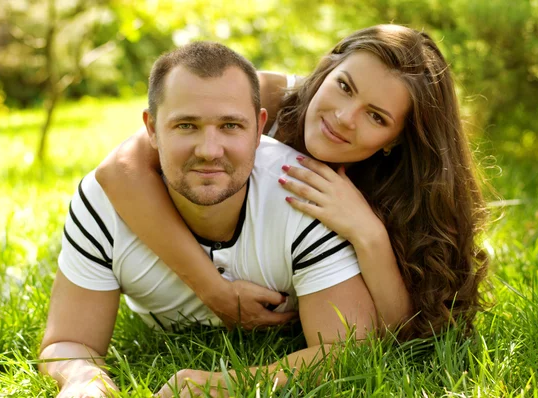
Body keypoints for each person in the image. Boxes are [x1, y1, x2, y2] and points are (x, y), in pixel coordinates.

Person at [96, 24, 489, 340]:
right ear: (326, 67)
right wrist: (214, 291)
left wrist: (367, 232)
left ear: (399, 138)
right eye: (344, 86)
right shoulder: (266, 96)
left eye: (377, 117)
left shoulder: (409, 187)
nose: (344, 117)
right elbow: (118, 171)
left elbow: (402, 332)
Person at [39, 41, 378, 397]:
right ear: (151, 129)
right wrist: (82, 380)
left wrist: (227, 384)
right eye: (186, 125)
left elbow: (349, 349)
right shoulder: (103, 205)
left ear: (259, 128)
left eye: (230, 125)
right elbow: (67, 341)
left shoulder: (303, 193)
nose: (209, 151)